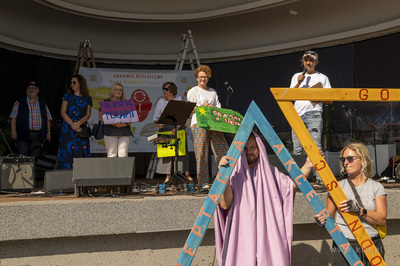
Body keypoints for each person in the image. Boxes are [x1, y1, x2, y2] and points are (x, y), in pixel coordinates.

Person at [215, 132, 316, 265]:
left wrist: (308, 165)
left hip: (267, 236)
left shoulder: (271, 172)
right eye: (245, 148)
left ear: (260, 149)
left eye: (253, 148)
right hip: (241, 235)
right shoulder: (233, 173)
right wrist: (224, 176)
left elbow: (291, 186)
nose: (249, 152)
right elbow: (224, 204)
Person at [315, 142, 387, 266]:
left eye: (350, 158)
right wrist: (322, 219)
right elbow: (329, 217)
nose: (346, 162)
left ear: (363, 160)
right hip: (345, 246)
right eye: (343, 159)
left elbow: (381, 220)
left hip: (372, 245)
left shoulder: (376, 187)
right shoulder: (336, 187)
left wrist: (359, 210)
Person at [290, 50, 331, 189]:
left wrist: (314, 95)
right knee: (297, 148)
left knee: (316, 147)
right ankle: (300, 180)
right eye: (306, 60)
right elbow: (289, 96)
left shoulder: (323, 77)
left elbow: (330, 99)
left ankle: (320, 179)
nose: (309, 62)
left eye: (311, 60)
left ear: (316, 62)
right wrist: (298, 83)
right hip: (296, 115)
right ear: (303, 62)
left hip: (314, 114)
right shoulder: (297, 76)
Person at [187, 65, 228, 190]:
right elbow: (190, 108)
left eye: (205, 77)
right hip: (199, 123)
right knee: (201, 152)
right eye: (200, 77)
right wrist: (202, 107)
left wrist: (213, 108)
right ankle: (203, 182)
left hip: (214, 123)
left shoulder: (212, 91)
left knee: (222, 149)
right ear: (196, 78)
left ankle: (226, 178)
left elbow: (218, 107)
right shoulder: (193, 91)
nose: (202, 79)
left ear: (208, 77)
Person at [153, 82, 192, 183]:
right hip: (165, 128)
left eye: (166, 89)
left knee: (181, 151)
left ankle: (186, 174)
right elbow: (155, 118)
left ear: (172, 90)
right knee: (166, 152)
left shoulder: (179, 99)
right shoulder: (161, 101)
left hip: (179, 127)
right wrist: (160, 125)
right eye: (163, 89)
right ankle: (168, 176)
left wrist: (177, 127)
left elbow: (185, 115)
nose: (164, 91)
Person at [57, 74, 92, 169]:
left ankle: (81, 176)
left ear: (80, 83)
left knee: (80, 151)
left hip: (81, 128)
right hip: (68, 128)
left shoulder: (88, 98)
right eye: (71, 83)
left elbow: (88, 114)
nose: (72, 84)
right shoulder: (67, 96)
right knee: (67, 152)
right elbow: (63, 112)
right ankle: (65, 177)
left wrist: (79, 123)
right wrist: (72, 124)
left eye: (74, 82)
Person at [10, 81, 52, 158]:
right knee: (22, 157)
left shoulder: (42, 104)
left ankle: (32, 170)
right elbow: (13, 118)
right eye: (29, 88)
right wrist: (13, 131)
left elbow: (48, 118)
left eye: (34, 88)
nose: (31, 90)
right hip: (23, 134)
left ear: (37, 90)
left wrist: (48, 132)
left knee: (34, 158)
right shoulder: (19, 103)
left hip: (37, 135)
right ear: (26, 90)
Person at [99, 83, 132, 157]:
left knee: (123, 154)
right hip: (110, 132)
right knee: (111, 154)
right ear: (113, 91)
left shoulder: (126, 103)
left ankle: (123, 169)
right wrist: (114, 124)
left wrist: (125, 124)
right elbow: (101, 118)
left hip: (124, 132)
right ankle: (112, 169)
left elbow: (131, 118)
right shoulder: (106, 102)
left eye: (120, 90)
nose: (118, 91)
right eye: (116, 89)